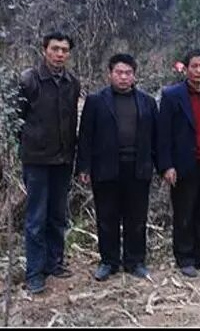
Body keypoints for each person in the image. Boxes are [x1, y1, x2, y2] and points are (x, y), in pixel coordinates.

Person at [77, 54, 158, 281]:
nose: (123, 77)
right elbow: (85, 136)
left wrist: (161, 165)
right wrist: (84, 167)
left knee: (137, 217)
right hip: (106, 168)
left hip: (138, 168)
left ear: (134, 75)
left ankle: (135, 261)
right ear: (110, 74)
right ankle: (108, 261)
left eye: (128, 73)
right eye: (119, 72)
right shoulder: (96, 101)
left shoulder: (147, 102)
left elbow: (156, 137)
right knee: (107, 217)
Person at [17, 32, 81, 294]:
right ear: (45, 50)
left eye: (64, 50)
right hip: (37, 161)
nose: (60, 54)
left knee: (57, 216)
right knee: (36, 218)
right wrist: (30, 145)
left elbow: (71, 120)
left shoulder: (72, 82)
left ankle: (54, 262)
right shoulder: (29, 80)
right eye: (55, 49)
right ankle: (34, 272)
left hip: (63, 160)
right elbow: (16, 121)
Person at [158, 50, 200, 278]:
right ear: (186, 69)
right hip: (183, 164)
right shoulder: (172, 96)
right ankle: (184, 257)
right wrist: (167, 165)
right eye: (194, 66)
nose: (198, 70)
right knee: (184, 212)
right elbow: (163, 134)